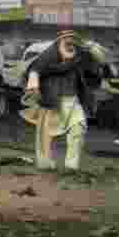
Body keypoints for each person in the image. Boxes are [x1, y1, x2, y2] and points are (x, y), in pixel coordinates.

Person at [21, 30, 105, 171]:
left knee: (79, 128)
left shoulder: (79, 56)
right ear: (60, 41)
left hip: (72, 100)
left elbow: (92, 71)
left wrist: (95, 59)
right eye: (67, 40)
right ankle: (45, 163)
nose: (70, 43)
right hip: (51, 101)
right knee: (46, 134)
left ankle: (71, 166)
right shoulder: (49, 55)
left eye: (73, 40)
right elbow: (35, 69)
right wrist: (33, 83)